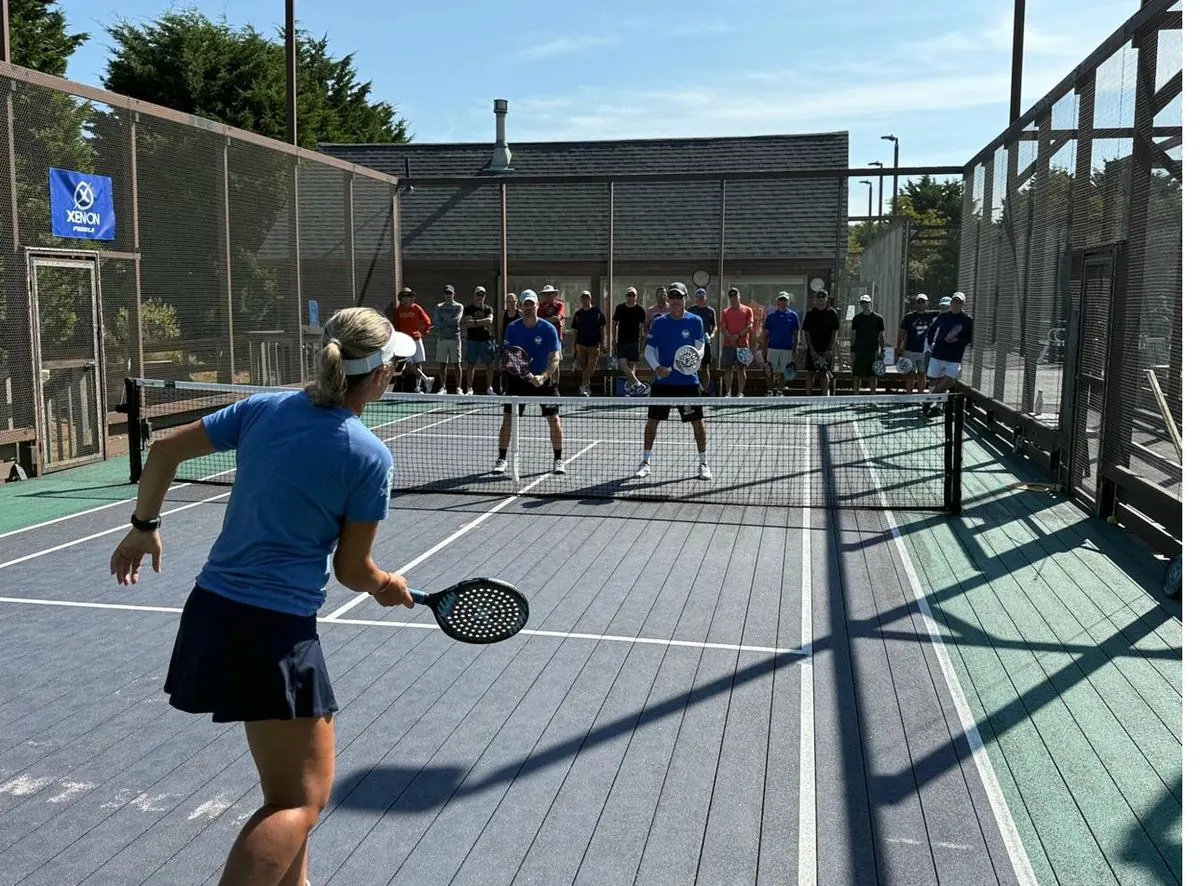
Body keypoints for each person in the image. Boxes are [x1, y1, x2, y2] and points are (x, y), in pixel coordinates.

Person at [109, 307, 416, 886]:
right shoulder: (369, 457)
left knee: (285, 793)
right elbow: (352, 570)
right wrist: (386, 585)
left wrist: (144, 525)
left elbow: (164, 451)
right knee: (299, 804)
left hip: (214, 613)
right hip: (273, 634)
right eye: (394, 365)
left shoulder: (264, 409)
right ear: (378, 375)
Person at [635, 282, 712, 481]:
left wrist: (692, 360)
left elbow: (700, 347)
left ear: (685, 298)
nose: (676, 300)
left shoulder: (696, 321)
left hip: (688, 383)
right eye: (672, 297)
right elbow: (649, 350)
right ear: (668, 299)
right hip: (663, 383)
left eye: (679, 297)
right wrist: (657, 367)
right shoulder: (659, 322)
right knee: (652, 422)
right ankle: (645, 462)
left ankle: (703, 463)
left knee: (697, 422)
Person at [494, 290, 566, 476]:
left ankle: (558, 459)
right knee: (508, 419)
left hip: (544, 380)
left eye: (531, 304)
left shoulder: (548, 329)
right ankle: (501, 459)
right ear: (521, 307)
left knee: (554, 419)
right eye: (525, 304)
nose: (528, 308)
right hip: (518, 381)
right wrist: (524, 375)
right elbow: (508, 357)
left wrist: (543, 377)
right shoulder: (512, 328)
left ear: (536, 306)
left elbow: (555, 358)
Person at [923, 291, 975, 415]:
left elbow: (969, 339)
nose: (956, 304)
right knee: (933, 380)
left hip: (954, 357)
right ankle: (936, 407)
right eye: (954, 301)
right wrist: (931, 343)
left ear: (963, 304)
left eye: (959, 302)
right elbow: (932, 329)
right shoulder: (943, 316)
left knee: (949, 381)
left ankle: (929, 400)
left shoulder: (968, 320)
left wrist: (957, 340)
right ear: (951, 303)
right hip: (938, 354)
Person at [389, 287, 433, 392]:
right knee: (408, 364)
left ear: (411, 298)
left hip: (417, 339)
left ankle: (418, 387)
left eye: (408, 296)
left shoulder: (417, 308)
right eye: (404, 296)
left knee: (418, 364)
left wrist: (424, 332)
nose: (406, 298)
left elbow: (427, 321)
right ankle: (426, 380)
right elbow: (395, 326)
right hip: (405, 341)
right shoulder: (398, 310)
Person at [760, 292, 801, 396]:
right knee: (769, 371)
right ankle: (769, 392)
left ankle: (779, 392)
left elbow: (796, 334)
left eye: (785, 300)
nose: (782, 302)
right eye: (781, 300)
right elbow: (765, 334)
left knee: (784, 371)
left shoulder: (793, 316)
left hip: (787, 349)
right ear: (777, 301)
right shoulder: (771, 316)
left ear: (788, 302)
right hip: (772, 348)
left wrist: (795, 348)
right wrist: (764, 348)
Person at [800, 289, 840, 396]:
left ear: (826, 299)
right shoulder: (810, 314)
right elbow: (806, 333)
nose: (821, 300)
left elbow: (834, 333)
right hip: (813, 348)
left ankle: (824, 397)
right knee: (810, 372)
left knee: (824, 372)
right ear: (815, 300)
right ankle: (808, 396)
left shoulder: (832, 313)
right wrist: (811, 350)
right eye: (819, 298)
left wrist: (829, 349)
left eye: (823, 298)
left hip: (826, 349)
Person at [897, 293, 936, 393]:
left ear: (927, 303)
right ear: (916, 303)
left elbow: (945, 312)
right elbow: (901, 333)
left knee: (922, 374)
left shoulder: (931, 315)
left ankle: (920, 396)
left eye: (923, 302)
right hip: (910, 350)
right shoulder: (909, 317)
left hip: (924, 352)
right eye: (919, 301)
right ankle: (909, 395)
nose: (921, 304)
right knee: (910, 374)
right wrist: (898, 347)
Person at [720, 287, 755, 397]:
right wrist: (730, 337)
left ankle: (740, 392)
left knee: (741, 369)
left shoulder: (748, 310)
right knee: (728, 368)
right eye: (731, 296)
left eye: (735, 296)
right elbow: (723, 328)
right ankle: (728, 392)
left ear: (739, 296)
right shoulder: (725, 312)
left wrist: (738, 335)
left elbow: (750, 326)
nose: (734, 298)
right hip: (728, 345)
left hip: (742, 345)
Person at [611, 287, 647, 393]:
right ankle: (637, 384)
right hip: (622, 341)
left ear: (636, 296)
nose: (631, 297)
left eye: (633, 295)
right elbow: (614, 323)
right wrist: (613, 338)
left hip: (634, 341)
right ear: (626, 296)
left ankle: (632, 389)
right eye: (629, 295)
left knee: (632, 366)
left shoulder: (640, 310)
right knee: (622, 364)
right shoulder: (620, 308)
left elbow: (643, 326)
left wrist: (643, 339)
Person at [570, 290, 606, 396]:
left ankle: (583, 385)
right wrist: (574, 346)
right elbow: (575, 331)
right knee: (584, 366)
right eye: (583, 298)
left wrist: (603, 342)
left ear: (590, 299)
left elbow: (602, 328)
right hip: (581, 344)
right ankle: (586, 388)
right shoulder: (578, 314)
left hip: (594, 345)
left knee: (591, 367)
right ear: (581, 300)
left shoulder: (597, 312)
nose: (585, 300)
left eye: (587, 297)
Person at [462, 286, 496, 395]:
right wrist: (482, 322)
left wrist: (475, 322)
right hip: (472, 340)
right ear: (474, 295)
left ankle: (489, 387)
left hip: (486, 340)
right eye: (478, 294)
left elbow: (490, 321)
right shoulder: (468, 309)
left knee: (489, 364)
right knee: (471, 364)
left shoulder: (488, 309)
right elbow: (468, 323)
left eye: (482, 295)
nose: (480, 297)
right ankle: (469, 388)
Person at [850, 294, 886, 393]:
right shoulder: (857, 318)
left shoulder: (879, 318)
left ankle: (873, 397)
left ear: (870, 303)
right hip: (859, 351)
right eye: (862, 302)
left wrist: (882, 349)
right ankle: (855, 397)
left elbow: (881, 335)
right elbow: (853, 336)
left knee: (872, 375)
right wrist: (852, 350)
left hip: (872, 351)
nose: (864, 304)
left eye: (866, 302)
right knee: (856, 375)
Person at [432, 285, 464, 394]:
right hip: (442, 339)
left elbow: (456, 320)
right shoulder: (439, 306)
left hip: (455, 338)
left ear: (454, 294)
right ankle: (442, 387)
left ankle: (459, 387)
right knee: (442, 364)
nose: (448, 295)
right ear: (444, 294)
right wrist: (446, 322)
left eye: (450, 293)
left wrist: (444, 320)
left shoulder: (459, 306)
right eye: (446, 293)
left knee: (457, 363)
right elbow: (436, 322)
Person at [687, 288, 717, 394]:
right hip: (692, 343)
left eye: (702, 297)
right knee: (692, 366)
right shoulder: (691, 310)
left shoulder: (710, 311)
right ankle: (693, 388)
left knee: (705, 367)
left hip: (705, 343)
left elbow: (714, 326)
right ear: (695, 299)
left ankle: (705, 390)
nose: (700, 299)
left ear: (705, 298)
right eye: (698, 297)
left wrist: (711, 335)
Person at [537, 284, 567, 387]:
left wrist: (545, 320)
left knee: (556, 361)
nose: (548, 296)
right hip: (543, 338)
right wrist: (550, 319)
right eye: (546, 294)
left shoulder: (559, 305)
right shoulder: (540, 307)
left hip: (557, 338)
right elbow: (538, 320)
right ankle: (547, 384)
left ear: (554, 295)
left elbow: (557, 318)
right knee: (545, 361)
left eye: (550, 294)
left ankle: (555, 385)